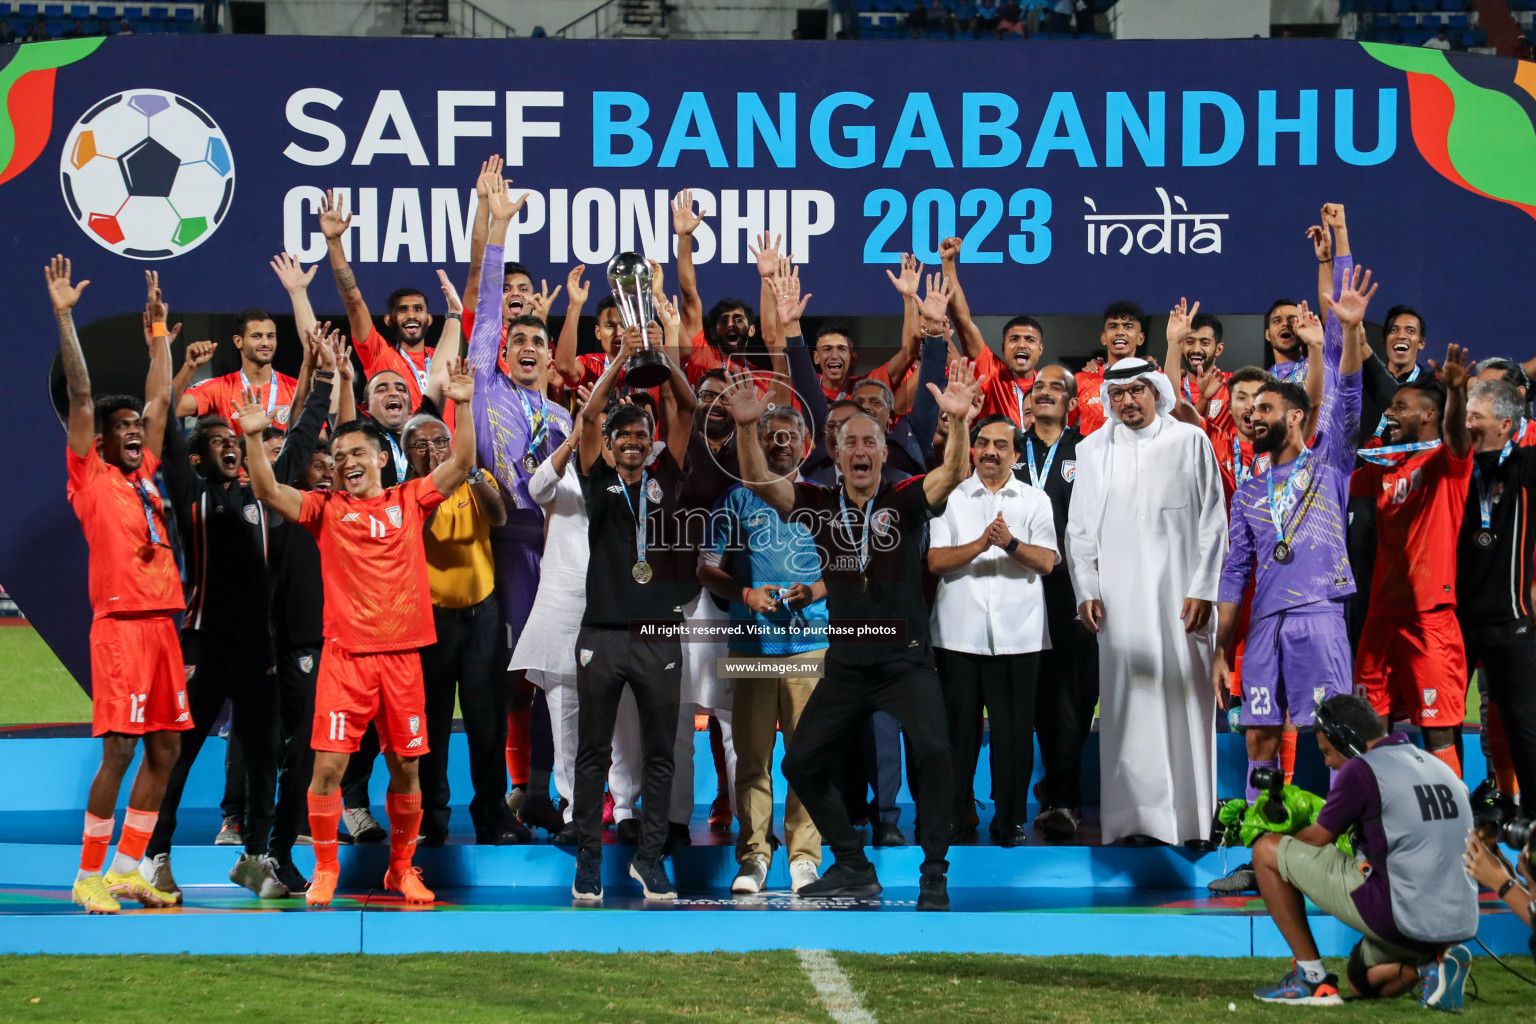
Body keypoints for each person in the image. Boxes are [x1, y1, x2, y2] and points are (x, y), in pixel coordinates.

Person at [728, 347, 983, 912]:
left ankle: (934, 872)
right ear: (835, 456)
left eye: (871, 442)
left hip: (904, 661)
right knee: (799, 762)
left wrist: (960, 421)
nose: (862, 451)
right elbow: (755, 477)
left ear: (882, 451)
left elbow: (953, 474)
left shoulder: (903, 497)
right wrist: (748, 426)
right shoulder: (817, 504)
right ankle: (851, 863)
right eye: (852, 444)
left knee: (936, 752)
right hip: (846, 665)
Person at [241, 357, 480, 908]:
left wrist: (462, 404)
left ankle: (401, 868)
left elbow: (462, 461)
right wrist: (255, 438)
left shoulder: (409, 499)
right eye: (338, 455)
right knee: (327, 768)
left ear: (380, 458)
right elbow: (267, 490)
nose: (346, 462)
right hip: (345, 658)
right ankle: (325, 868)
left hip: (401, 659)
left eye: (356, 453)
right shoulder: (325, 510)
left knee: (406, 767)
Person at [143, 323, 337, 902]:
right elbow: (160, 424)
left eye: (237, 441)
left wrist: (323, 376)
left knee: (260, 756)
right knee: (176, 751)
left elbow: (300, 440)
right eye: (219, 441)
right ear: (198, 455)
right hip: (203, 641)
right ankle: (153, 854)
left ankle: (255, 858)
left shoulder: (263, 490)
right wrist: (174, 364)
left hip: (257, 647)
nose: (231, 446)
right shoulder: (188, 488)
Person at [53, 259, 187, 914]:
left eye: (138, 428)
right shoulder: (91, 480)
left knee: (167, 746)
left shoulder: (147, 475)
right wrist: (63, 316)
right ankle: (86, 874)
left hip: (163, 626)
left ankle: (129, 868)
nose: (136, 432)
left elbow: (160, 401)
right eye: (123, 429)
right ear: (100, 442)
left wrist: (158, 332)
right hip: (121, 631)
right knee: (122, 748)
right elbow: (81, 395)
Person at [1216, 268, 1369, 811]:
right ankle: (1264, 842)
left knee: (1332, 735)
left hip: (1319, 617)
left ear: (1296, 417)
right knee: (1258, 736)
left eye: (1265, 408)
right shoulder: (1249, 491)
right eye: (1250, 410)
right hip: (1262, 627)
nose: (1253, 416)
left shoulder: (1328, 463)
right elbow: (1234, 573)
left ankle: (1342, 842)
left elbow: (1347, 393)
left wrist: (1346, 333)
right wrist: (1220, 647)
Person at [1066, 357, 1227, 847]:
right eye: (1118, 394)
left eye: (1137, 391)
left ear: (1156, 392)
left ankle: (1195, 821)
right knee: (1127, 705)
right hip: (1119, 602)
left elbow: (1213, 521)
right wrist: (1087, 591)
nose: (1128, 401)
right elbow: (1079, 530)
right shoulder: (1092, 449)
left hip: (1184, 600)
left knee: (1185, 700)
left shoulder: (1190, 440)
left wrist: (1203, 587)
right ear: (1108, 401)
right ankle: (1133, 822)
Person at [569, 328, 696, 903]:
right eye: (622, 434)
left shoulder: (666, 476)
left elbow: (688, 407)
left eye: (640, 434)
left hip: (660, 634)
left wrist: (662, 360)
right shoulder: (596, 483)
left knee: (660, 750)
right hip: (602, 632)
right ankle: (589, 865)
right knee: (594, 751)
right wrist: (621, 358)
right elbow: (589, 418)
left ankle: (650, 860)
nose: (630, 441)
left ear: (650, 442)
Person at [1250, 696, 1476, 1008]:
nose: (1328, 762)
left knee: (1265, 850)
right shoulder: (1438, 765)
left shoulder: (1363, 769)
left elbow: (1316, 839)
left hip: (1403, 915)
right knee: (1359, 981)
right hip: (1456, 921)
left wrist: (1276, 831)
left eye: (1328, 751)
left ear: (1348, 740)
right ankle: (1430, 967)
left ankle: (1309, 977)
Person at [470, 175, 575, 833]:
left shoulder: (564, 415)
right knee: (499, 678)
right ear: (505, 352)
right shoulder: (485, 390)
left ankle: (540, 792)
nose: (530, 348)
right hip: (498, 550)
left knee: (551, 677)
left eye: (539, 341)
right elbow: (485, 309)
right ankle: (498, 795)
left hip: (554, 553)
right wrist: (497, 229)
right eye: (519, 342)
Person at [701, 405, 827, 894]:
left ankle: (804, 857)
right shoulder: (735, 499)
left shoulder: (822, 498)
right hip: (751, 645)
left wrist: (813, 591)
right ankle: (754, 855)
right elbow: (705, 567)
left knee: (807, 757)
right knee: (751, 757)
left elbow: (843, 568)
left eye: (788, 436)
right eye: (769, 436)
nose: (779, 444)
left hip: (810, 645)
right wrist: (746, 594)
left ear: (804, 444)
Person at [929, 415, 1058, 846]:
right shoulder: (948, 498)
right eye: (982, 442)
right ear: (972, 448)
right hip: (956, 635)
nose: (989, 451)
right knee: (956, 735)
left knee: (1015, 736)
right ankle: (954, 814)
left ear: (1016, 455)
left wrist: (1010, 544)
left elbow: (1046, 561)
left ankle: (1011, 820)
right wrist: (982, 544)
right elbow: (937, 561)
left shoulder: (1036, 500)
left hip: (1019, 639)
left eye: (1001, 445)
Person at [404, 410, 528, 846]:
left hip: (483, 615)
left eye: (441, 442)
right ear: (408, 456)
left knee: (487, 719)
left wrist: (470, 472)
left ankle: (491, 813)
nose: (434, 451)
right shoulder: (406, 495)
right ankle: (432, 817)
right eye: (421, 445)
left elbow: (498, 518)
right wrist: (434, 483)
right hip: (433, 622)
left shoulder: (478, 479)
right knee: (432, 724)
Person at [1351, 344, 1473, 775]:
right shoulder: (1386, 469)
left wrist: (1455, 394)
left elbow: (1457, 435)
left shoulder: (1445, 463)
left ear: (1427, 415)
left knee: (1437, 726)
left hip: (1429, 617)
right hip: (1381, 614)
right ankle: (1378, 814)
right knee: (1370, 720)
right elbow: (1338, 482)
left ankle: (1452, 829)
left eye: (1400, 407)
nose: (1390, 414)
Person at [1021, 365, 1096, 839]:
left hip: (1070, 587)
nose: (1045, 392)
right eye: (1038, 387)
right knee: (1032, 695)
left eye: (1056, 388)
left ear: (1072, 402)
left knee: (1073, 695)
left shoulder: (1088, 452)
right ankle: (1046, 788)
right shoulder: (1006, 446)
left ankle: (1065, 797)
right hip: (1015, 587)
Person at [1457, 378, 1536, 814]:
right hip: (1456, 623)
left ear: (1506, 425)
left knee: (1523, 725)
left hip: (1511, 623)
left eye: (1477, 417)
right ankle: (1454, 810)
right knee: (1445, 721)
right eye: (1466, 414)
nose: (1467, 423)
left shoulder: (1525, 468)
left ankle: (1532, 816)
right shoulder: (1454, 467)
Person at [319, 190, 437, 411]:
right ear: (389, 320)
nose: (411, 315)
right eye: (403, 310)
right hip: (393, 442)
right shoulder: (378, 354)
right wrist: (334, 242)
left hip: (441, 444)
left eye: (418, 309)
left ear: (429, 318)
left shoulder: (442, 360)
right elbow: (353, 301)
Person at [940, 235, 1043, 431]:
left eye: (1029, 340)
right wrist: (948, 262)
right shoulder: (992, 371)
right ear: (1003, 347)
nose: (1021, 344)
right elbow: (962, 321)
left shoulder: (1049, 386)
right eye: (1014, 339)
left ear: (1040, 349)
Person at [175, 309, 301, 430]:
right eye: (256, 336)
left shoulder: (297, 390)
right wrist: (189, 368)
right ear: (238, 341)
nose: (266, 343)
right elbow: (168, 411)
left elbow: (318, 442)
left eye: (270, 336)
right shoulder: (218, 389)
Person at [1074, 302, 1147, 435]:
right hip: (1091, 456)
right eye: (1113, 327)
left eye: (1128, 327)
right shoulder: (1081, 380)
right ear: (1103, 338)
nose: (1120, 332)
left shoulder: (1152, 379)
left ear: (1140, 338)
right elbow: (1061, 426)